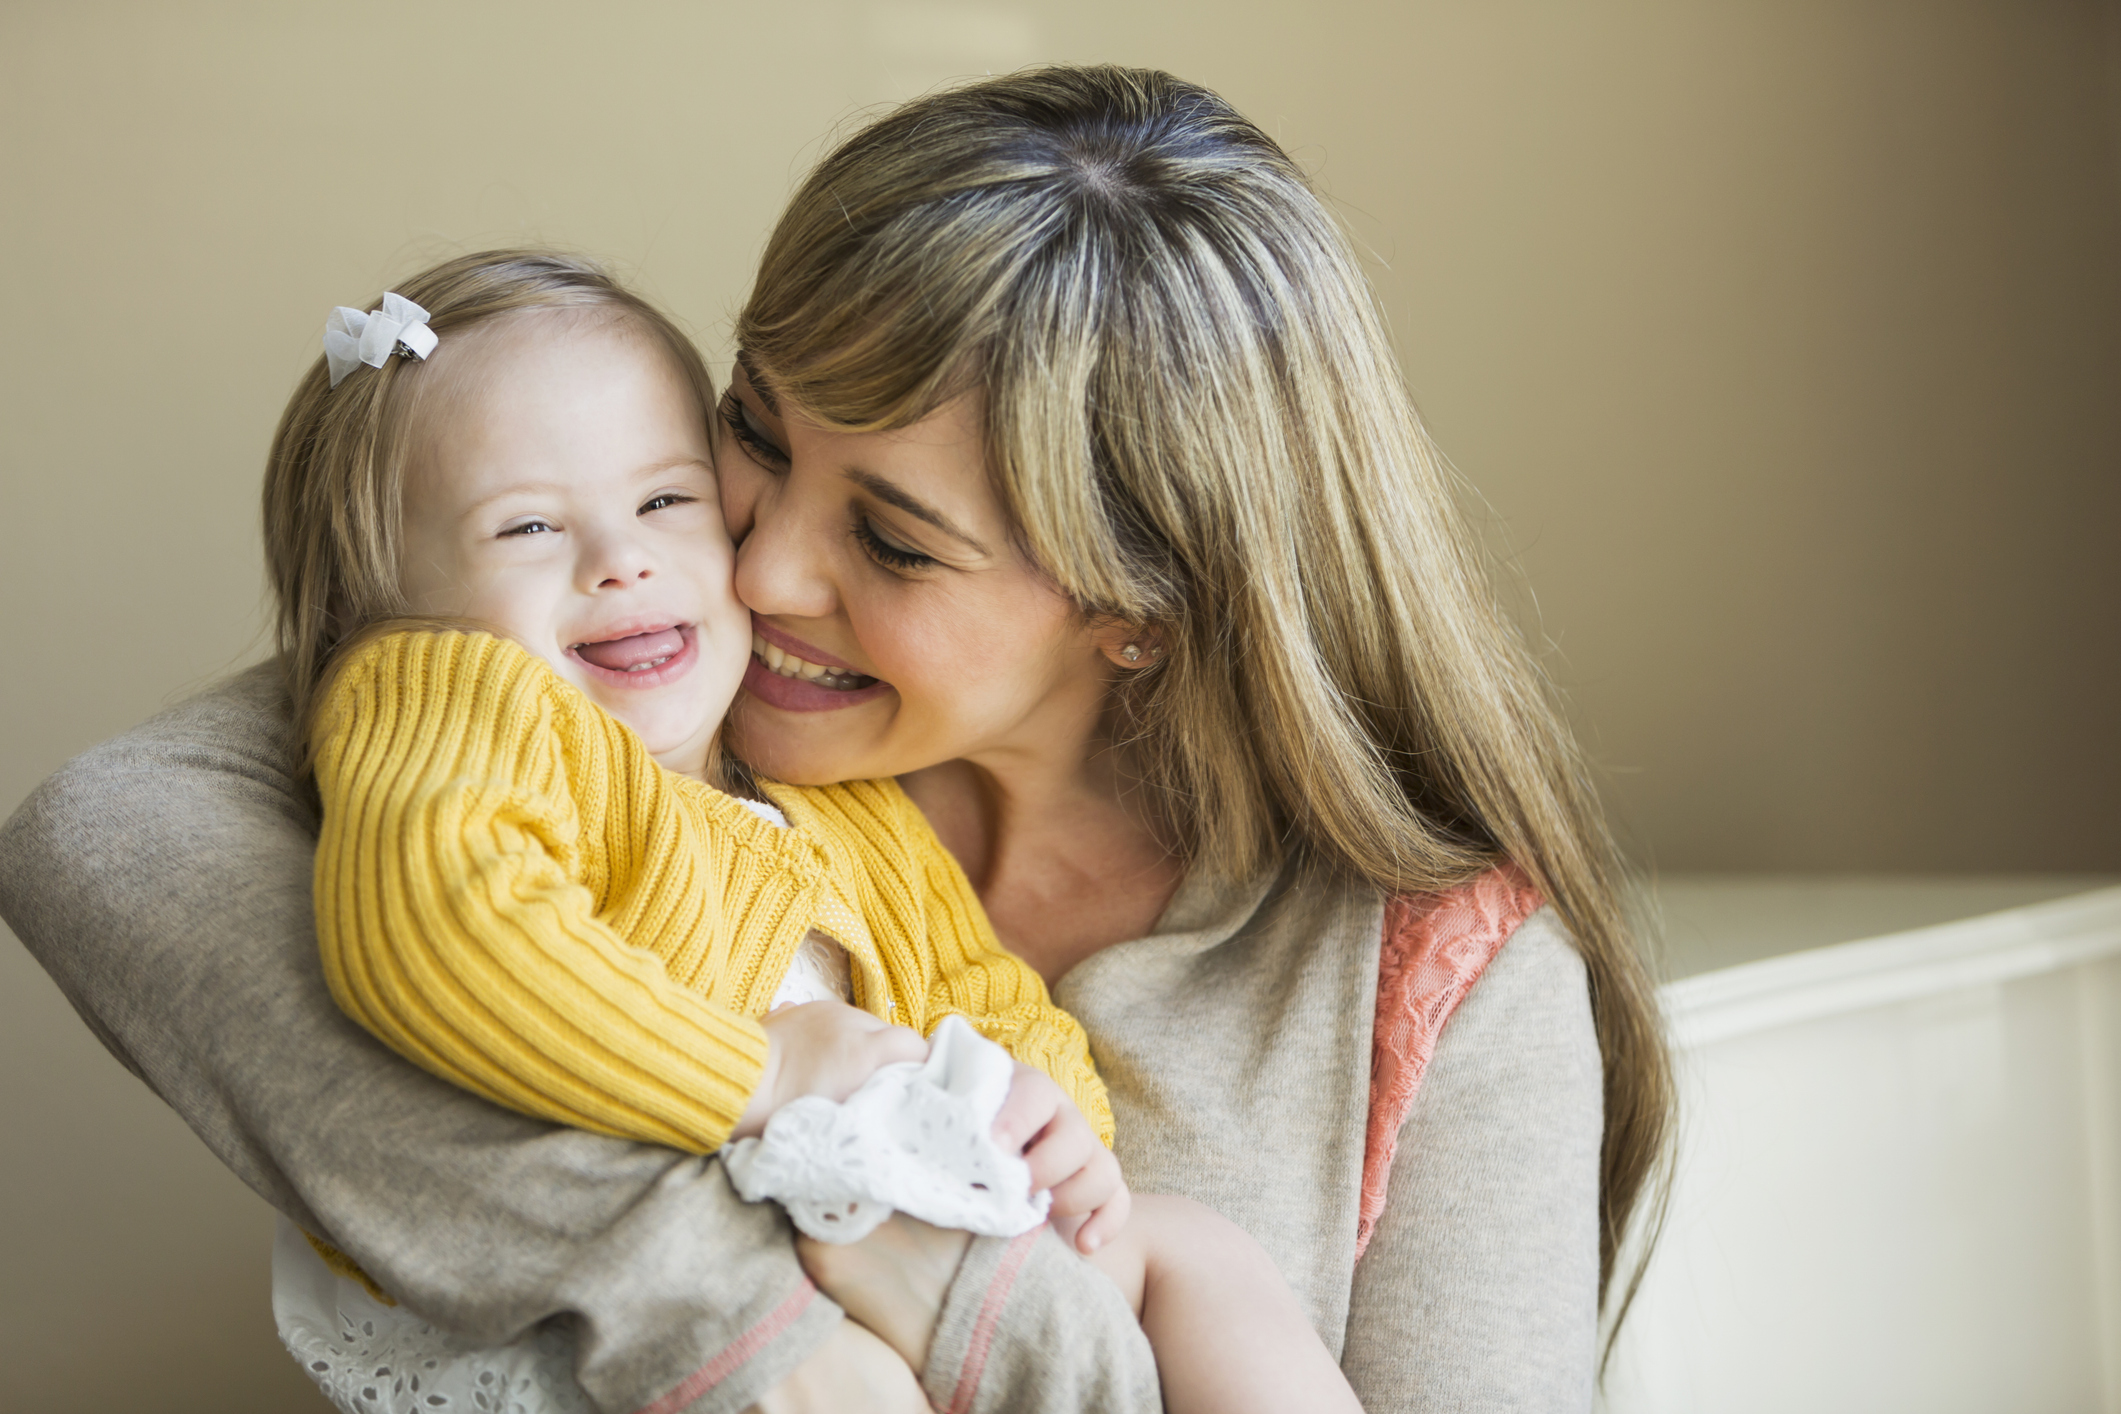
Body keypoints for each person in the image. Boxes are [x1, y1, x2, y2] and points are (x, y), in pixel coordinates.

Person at [0, 64, 1670, 1414]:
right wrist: (759, 1329)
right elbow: (103, 833)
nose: (756, 557)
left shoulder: (1437, 977)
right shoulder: (625, 680)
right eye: (748, 434)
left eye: (889, 537)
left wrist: (990, 1276)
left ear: (1137, 606)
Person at [275, 249, 1365, 1414]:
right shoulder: (463, 702)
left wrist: (1039, 1109)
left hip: (861, 1209)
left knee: (1193, 1252)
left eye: (666, 500)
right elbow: (441, 934)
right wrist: (762, 1069)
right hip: (619, 1288)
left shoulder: (828, 795)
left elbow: (969, 978)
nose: (622, 560)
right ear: (384, 602)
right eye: (529, 527)